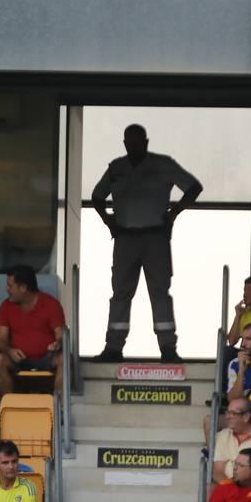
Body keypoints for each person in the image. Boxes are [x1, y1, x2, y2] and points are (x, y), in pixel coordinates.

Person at [89, 123, 201, 364]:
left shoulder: (163, 164)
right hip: (125, 239)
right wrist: (108, 221)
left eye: (137, 141)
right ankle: (113, 348)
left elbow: (194, 187)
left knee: (159, 293)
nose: (133, 146)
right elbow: (97, 196)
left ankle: (168, 349)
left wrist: (174, 213)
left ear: (146, 142)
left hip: (155, 238)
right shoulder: (117, 167)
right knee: (120, 293)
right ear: (124, 144)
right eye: (129, 142)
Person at [0, 266, 64, 394]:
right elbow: (1, 339)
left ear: (23, 288)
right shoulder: (6, 305)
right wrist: (9, 350)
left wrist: (57, 343)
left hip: (47, 357)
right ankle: (12, 406)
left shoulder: (51, 304)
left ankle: (59, 408)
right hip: (17, 359)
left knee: (65, 360)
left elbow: (60, 335)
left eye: (10, 286)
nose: (6, 289)